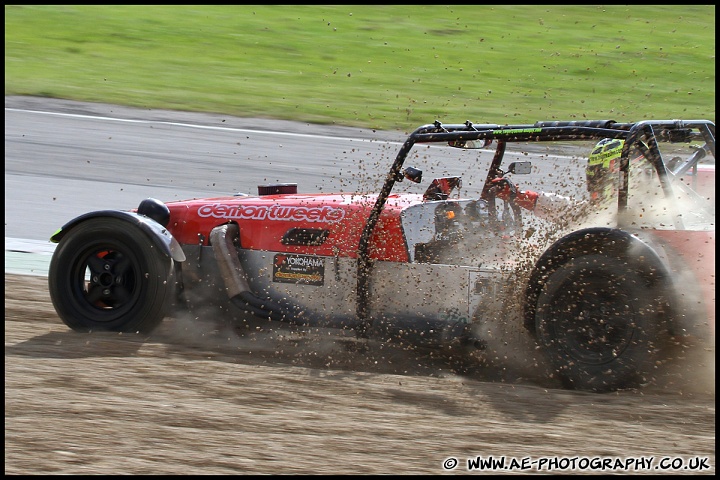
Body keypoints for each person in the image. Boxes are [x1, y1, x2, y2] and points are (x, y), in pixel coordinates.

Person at [490, 138, 645, 225]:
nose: (595, 183)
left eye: (599, 175)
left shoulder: (643, 219)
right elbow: (571, 211)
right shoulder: (622, 213)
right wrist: (519, 196)